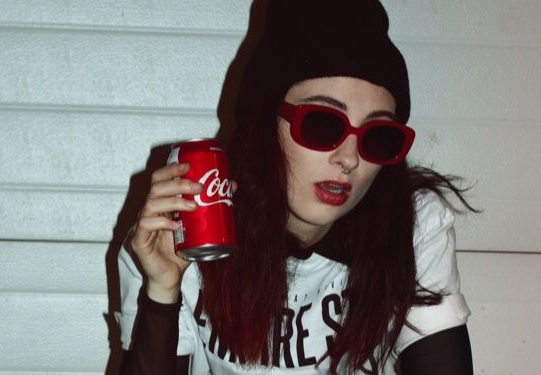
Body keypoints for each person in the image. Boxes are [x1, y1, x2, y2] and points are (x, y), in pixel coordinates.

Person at [116, 0, 476, 373]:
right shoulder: (188, 232)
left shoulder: (411, 225)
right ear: (263, 122)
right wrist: (162, 292)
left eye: (378, 137)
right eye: (322, 124)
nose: (349, 158)